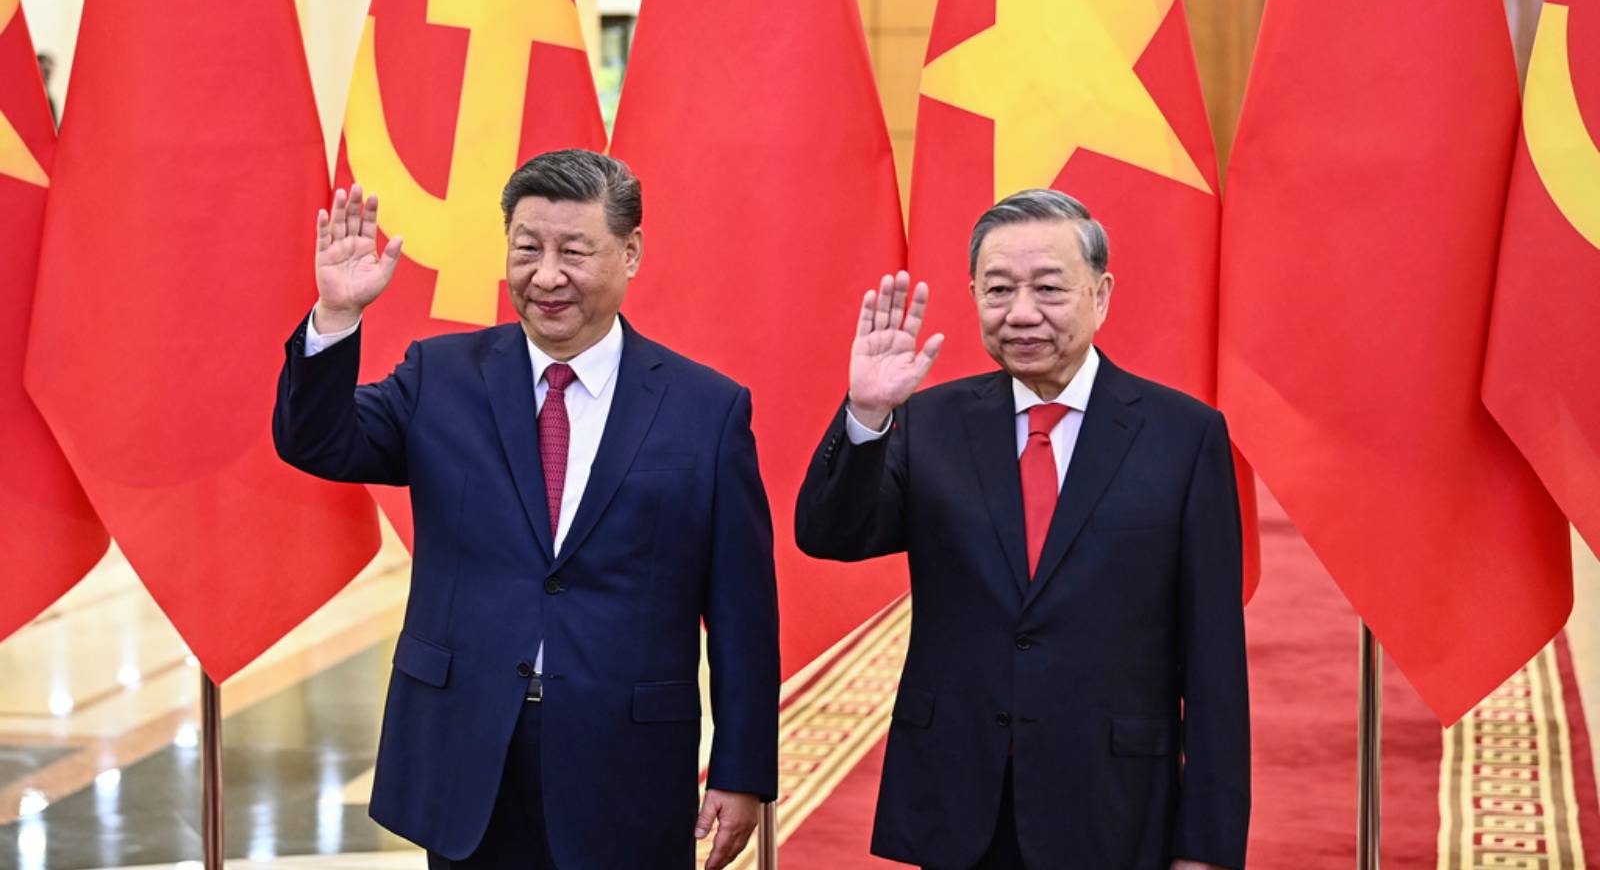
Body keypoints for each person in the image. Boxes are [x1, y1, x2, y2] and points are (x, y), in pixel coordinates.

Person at [273, 149, 779, 870]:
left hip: (626, 762)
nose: (546, 277)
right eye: (527, 249)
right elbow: (317, 442)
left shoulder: (706, 410)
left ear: (631, 252)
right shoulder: (440, 377)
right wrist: (336, 316)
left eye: (573, 252)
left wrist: (741, 769)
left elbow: (742, 613)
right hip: (468, 751)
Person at [796, 189, 1249, 870]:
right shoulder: (930, 423)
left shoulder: (1183, 436)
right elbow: (830, 533)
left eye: (1049, 288)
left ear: (1100, 295)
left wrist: (1208, 847)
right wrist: (866, 415)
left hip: (1114, 803)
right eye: (999, 289)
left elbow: (1214, 657)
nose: (1022, 313)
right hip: (962, 801)